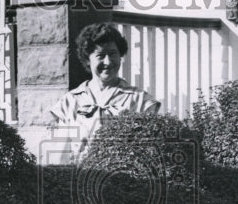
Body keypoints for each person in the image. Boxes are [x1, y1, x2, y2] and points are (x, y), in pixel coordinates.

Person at [48, 22, 160, 160]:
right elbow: (59, 157)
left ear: (120, 56)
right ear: (88, 59)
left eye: (113, 54)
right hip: (79, 178)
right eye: (100, 55)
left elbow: (148, 155)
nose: (108, 62)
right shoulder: (70, 102)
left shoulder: (141, 101)